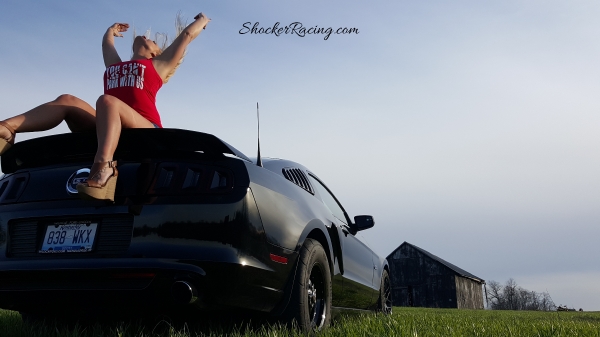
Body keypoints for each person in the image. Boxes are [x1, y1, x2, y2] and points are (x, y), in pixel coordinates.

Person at [0, 12, 211, 201]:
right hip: (110, 126)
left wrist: (202, 21)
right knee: (67, 99)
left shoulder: (158, 66)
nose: (148, 38)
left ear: (155, 53)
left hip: (147, 131)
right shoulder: (116, 67)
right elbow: (106, 47)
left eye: (153, 41)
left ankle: (105, 168)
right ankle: (7, 129)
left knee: (106, 100)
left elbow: (185, 37)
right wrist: (109, 32)